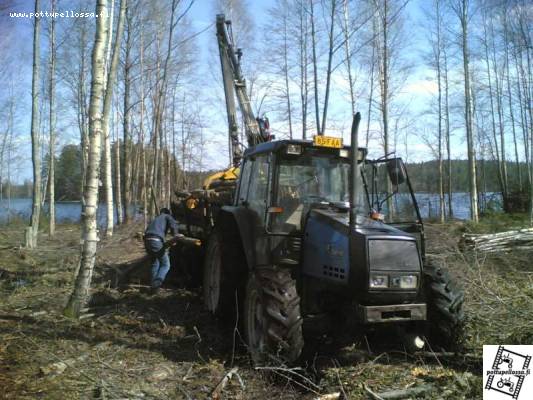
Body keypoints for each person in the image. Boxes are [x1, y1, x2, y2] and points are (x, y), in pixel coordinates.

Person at [144, 208, 179, 293]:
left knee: (154, 263)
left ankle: (153, 288)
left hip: (147, 240)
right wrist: (176, 236)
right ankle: (156, 284)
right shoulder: (167, 216)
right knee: (166, 264)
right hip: (156, 241)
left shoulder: (156, 219)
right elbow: (173, 225)